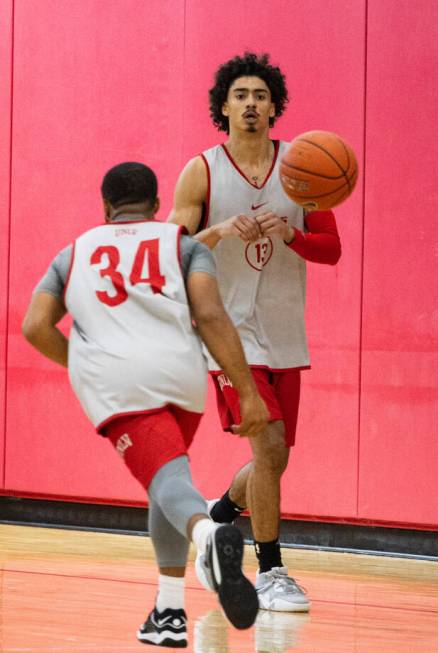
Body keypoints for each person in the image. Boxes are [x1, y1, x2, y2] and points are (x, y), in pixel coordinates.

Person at [22, 162, 269, 647]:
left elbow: (34, 325)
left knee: (171, 482)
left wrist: (81, 361)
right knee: (165, 480)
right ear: (157, 206)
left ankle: (207, 539)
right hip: (181, 376)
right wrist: (248, 391)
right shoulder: (185, 245)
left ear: (104, 206)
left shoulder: (73, 254)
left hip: (118, 382)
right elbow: (210, 315)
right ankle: (169, 612)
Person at [169, 52, 342, 613]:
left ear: (274, 107)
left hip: (284, 328)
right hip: (225, 333)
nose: (250, 104)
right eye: (240, 95)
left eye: (260, 96)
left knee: (275, 456)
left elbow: (332, 249)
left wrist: (292, 235)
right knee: (267, 444)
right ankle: (270, 571)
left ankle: (218, 519)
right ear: (224, 106)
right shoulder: (201, 169)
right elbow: (169, 252)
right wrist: (216, 231)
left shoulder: (304, 165)